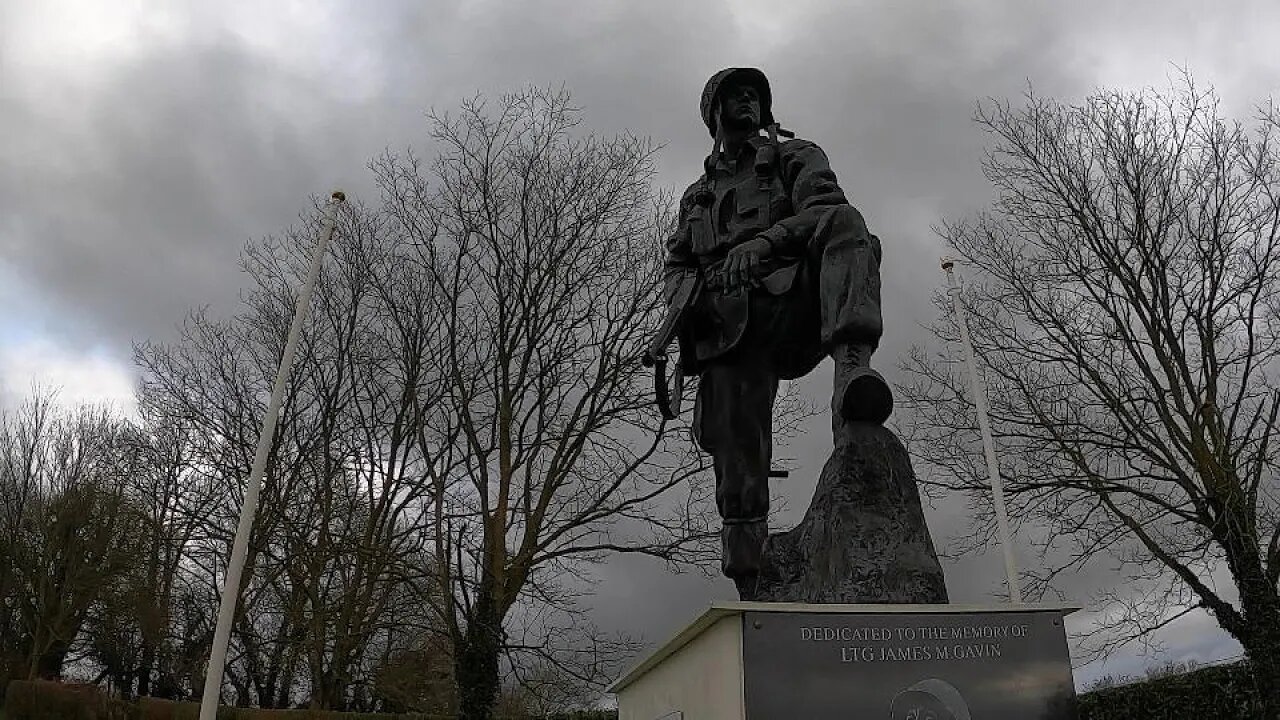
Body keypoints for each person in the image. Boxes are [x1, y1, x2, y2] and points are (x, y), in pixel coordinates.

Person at [663, 67, 892, 597]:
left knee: (849, 225)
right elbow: (675, 265)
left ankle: (853, 373)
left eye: (753, 94)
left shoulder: (794, 156)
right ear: (714, 113)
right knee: (737, 461)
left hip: (795, 302)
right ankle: (749, 581)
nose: (746, 101)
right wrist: (686, 306)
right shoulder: (697, 197)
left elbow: (825, 208)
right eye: (734, 95)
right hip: (729, 326)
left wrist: (763, 244)